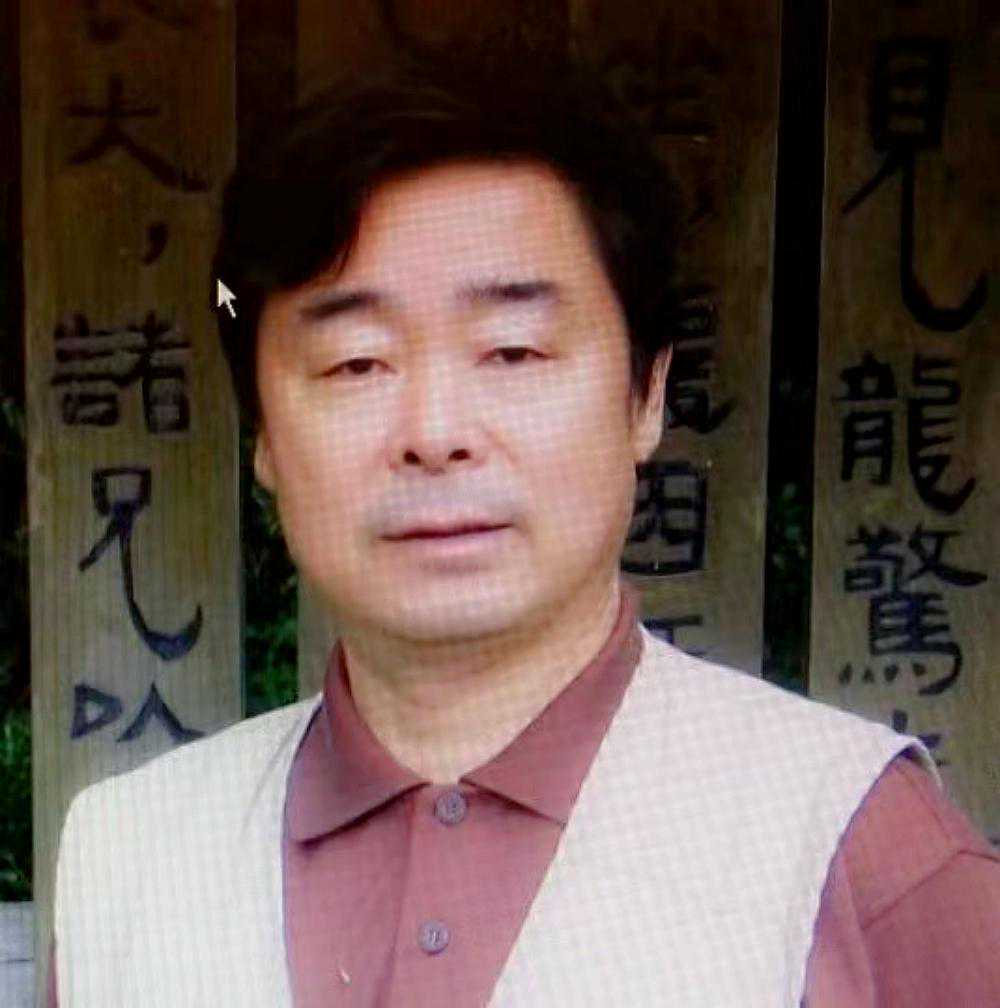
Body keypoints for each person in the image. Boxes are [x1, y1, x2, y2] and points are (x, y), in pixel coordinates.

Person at [49, 44, 1000, 1007]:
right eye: (355, 363)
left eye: (512, 351)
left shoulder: (855, 845)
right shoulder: (127, 858)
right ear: (263, 431)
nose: (434, 434)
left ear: (647, 395)